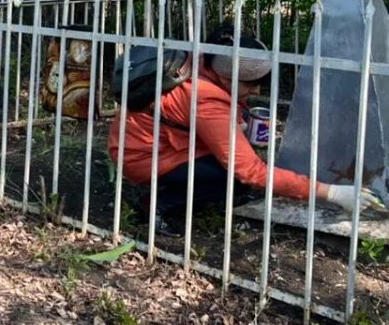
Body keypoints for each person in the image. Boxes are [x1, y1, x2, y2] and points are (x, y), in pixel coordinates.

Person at [108, 25, 383, 231]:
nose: (256, 90)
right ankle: (156, 205)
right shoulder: (205, 100)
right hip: (144, 157)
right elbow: (251, 172)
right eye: (250, 84)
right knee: (236, 180)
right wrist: (332, 192)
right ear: (228, 77)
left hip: (150, 141)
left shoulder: (200, 62)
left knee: (233, 170)